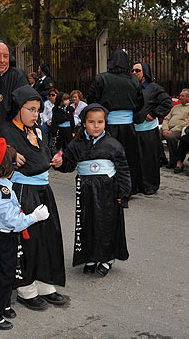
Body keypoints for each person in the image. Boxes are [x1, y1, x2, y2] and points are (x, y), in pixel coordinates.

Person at [0, 85, 66, 312]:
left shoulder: (38, 130)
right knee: (29, 239)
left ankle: (46, 284)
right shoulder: (6, 130)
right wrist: (9, 153)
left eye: (38, 110)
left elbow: (46, 152)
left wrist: (55, 158)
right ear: (18, 108)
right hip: (23, 191)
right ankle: (27, 288)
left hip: (44, 188)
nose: (36, 114)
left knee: (48, 235)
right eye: (31, 109)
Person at [0, 138, 49, 331]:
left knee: (6, 273)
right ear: (6, 167)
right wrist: (34, 217)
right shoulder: (0, 189)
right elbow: (14, 220)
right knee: (2, 276)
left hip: (2, 235)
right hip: (2, 236)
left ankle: (2, 304)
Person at [56, 103, 131, 276]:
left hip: (108, 192)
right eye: (91, 122)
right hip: (85, 191)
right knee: (87, 223)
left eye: (100, 122)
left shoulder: (113, 145)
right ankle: (89, 256)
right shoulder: (76, 144)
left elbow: (123, 170)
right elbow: (68, 164)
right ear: (84, 123)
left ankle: (107, 258)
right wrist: (60, 163)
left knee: (106, 224)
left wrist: (124, 193)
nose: (96, 126)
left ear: (105, 123)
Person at [87, 50, 144, 195]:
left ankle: (105, 187)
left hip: (108, 125)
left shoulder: (101, 78)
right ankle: (128, 188)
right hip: (128, 126)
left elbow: (92, 100)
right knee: (129, 157)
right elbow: (140, 103)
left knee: (106, 155)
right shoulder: (134, 80)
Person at [132, 62, 173, 195]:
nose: (134, 73)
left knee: (149, 159)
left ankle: (150, 186)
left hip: (148, 129)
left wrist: (154, 114)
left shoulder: (154, 88)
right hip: (133, 128)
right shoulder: (131, 87)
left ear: (145, 73)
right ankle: (137, 185)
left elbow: (167, 103)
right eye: (132, 70)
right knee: (136, 159)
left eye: (137, 70)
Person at [161, 89, 189, 168]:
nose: (180, 97)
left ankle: (174, 161)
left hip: (179, 129)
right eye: (180, 95)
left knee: (171, 137)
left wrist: (171, 130)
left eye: (182, 96)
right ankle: (162, 158)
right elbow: (166, 118)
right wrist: (165, 129)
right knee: (153, 135)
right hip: (168, 128)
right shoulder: (176, 107)